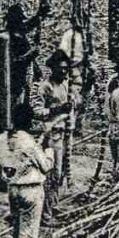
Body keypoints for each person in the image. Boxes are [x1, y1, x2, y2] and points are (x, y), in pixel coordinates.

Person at [0, 101, 51, 238]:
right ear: (29, 121)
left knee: (18, 230)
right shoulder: (28, 141)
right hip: (31, 190)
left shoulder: (3, 138)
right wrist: (48, 150)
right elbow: (45, 166)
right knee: (28, 235)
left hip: (13, 189)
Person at [38, 51, 74, 219]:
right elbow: (38, 111)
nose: (64, 72)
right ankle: (45, 212)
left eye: (66, 69)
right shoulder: (46, 87)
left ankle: (53, 204)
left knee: (61, 172)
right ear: (52, 69)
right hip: (51, 134)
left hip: (65, 133)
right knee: (52, 172)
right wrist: (58, 109)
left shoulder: (66, 85)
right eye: (60, 69)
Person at [57, 15, 91, 135]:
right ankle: (70, 124)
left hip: (85, 69)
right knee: (74, 97)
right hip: (74, 68)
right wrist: (76, 62)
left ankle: (78, 124)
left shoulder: (86, 34)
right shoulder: (69, 35)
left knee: (84, 97)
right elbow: (63, 53)